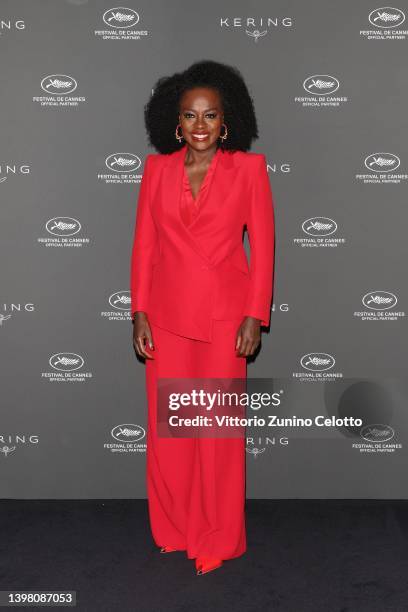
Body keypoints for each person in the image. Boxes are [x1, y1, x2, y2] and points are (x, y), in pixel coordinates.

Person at [130, 60, 275, 575]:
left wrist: (255, 314)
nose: (199, 125)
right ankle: (174, 529)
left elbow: (263, 245)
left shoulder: (249, 171)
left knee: (215, 434)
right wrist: (139, 311)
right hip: (166, 317)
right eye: (190, 116)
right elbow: (144, 247)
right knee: (172, 434)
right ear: (175, 122)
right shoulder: (156, 171)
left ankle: (217, 536)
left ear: (226, 120)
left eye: (210, 115)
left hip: (222, 320)